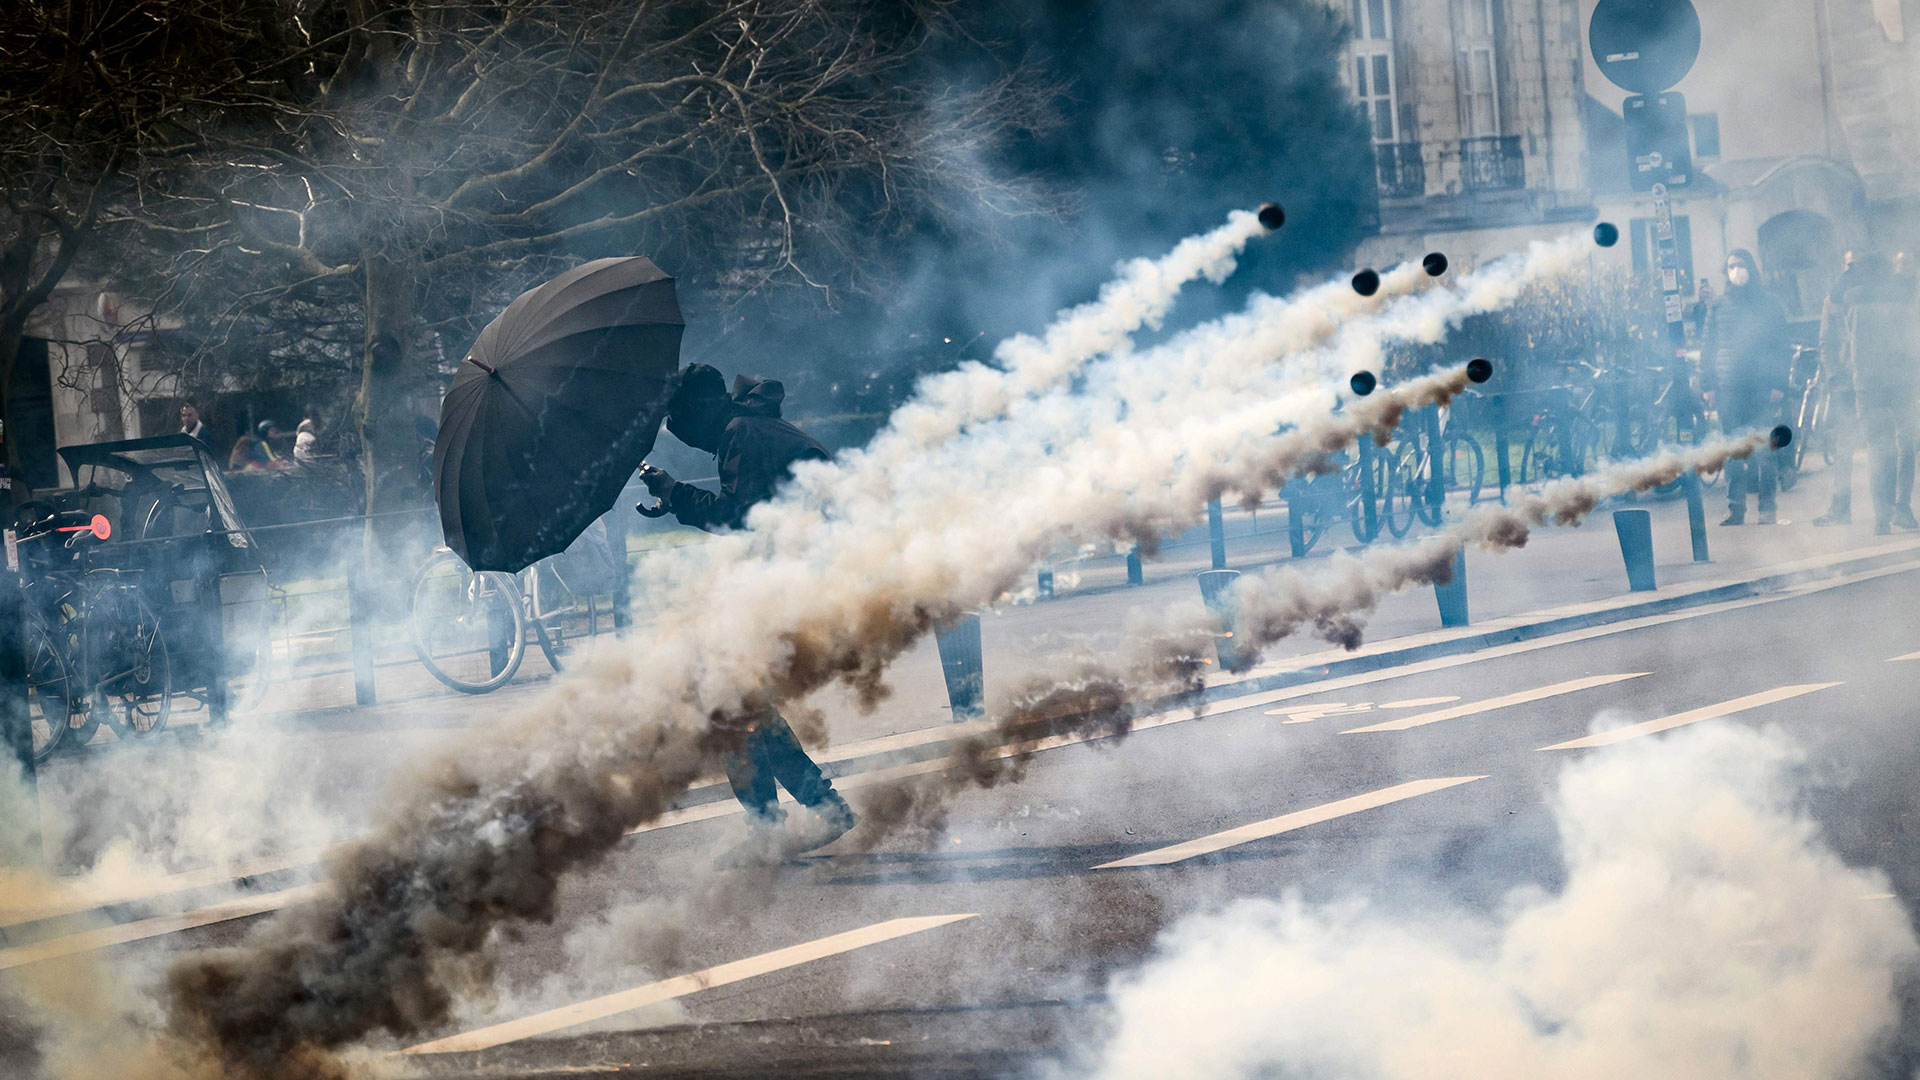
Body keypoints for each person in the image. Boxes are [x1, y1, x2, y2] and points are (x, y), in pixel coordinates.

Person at [638, 364, 856, 863]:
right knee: (738, 701)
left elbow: (740, 517)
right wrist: (675, 500)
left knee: (730, 699)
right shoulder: (747, 427)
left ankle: (793, 819)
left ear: (702, 407)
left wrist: (676, 491)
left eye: (679, 413)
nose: (675, 426)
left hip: (812, 579)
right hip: (809, 574)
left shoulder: (742, 432)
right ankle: (801, 814)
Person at [1821, 251, 1917, 533]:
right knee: (1904, 443)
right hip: (1901, 382)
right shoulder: (1902, 294)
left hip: (1865, 384)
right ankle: (1900, 508)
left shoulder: (1852, 298)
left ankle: (1881, 519)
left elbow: (1834, 304)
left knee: (1877, 447)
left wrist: (1849, 273)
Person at [1701, 248, 1790, 525]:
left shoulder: (1768, 304)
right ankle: (1735, 509)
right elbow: (1708, 348)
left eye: (1740, 265)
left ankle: (1767, 509)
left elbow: (1781, 345)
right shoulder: (1718, 307)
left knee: (1764, 452)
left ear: (1751, 268)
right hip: (1728, 387)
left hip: (1761, 387)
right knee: (1732, 452)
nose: (1736, 270)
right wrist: (1708, 385)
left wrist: (1778, 383)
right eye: (1731, 266)